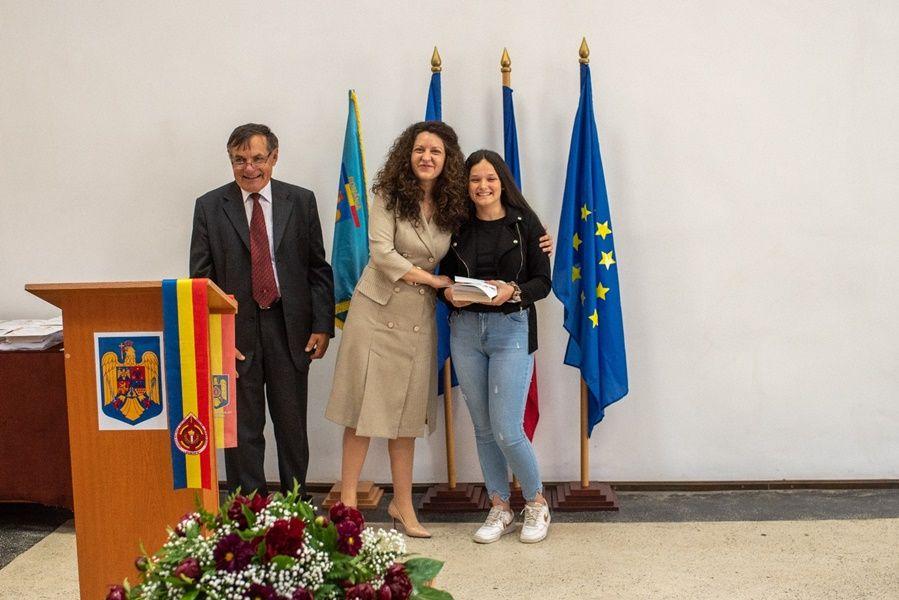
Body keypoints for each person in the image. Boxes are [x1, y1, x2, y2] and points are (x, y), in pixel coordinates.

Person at [325, 121, 468, 538]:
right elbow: (382, 254)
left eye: (435, 152)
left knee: (407, 417)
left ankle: (403, 506)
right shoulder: (388, 195)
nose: (426, 157)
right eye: (420, 149)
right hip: (375, 313)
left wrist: (538, 238)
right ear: (408, 154)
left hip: (417, 320)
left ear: (447, 160)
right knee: (361, 412)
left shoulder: (452, 205)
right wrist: (433, 280)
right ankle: (347, 507)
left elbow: (487, 225)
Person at [190, 123, 334, 498]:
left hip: (290, 329)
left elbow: (317, 268)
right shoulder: (209, 206)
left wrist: (322, 325)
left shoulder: (300, 201)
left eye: (257, 158)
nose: (249, 168)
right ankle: (247, 507)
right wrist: (217, 336)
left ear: (274, 157)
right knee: (242, 429)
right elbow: (201, 279)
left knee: (291, 425)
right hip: (236, 335)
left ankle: (296, 504)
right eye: (239, 160)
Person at [439, 149, 552, 544]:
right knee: (484, 428)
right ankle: (500, 505)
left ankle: (536, 501)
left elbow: (543, 282)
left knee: (507, 428)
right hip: (465, 331)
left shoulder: (525, 223)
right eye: (475, 179)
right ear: (466, 185)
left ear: (502, 183)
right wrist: (447, 294)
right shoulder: (455, 225)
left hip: (511, 329)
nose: (482, 186)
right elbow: (443, 279)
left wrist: (513, 290)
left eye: (490, 179)